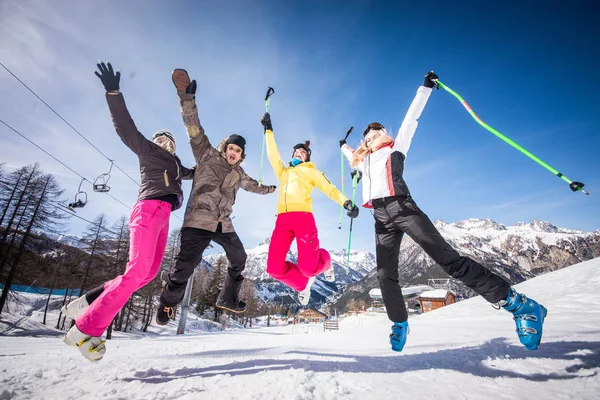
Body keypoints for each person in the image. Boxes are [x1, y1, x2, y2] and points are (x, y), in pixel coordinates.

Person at [340, 71, 547, 352]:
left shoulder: (395, 148)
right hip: (379, 219)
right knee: (384, 273)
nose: (373, 137)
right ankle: (400, 322)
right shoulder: (361, 162)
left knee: (449, 260)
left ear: (385, 135)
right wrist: (343, 145)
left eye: (377, 133)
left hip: (403, 208)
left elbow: (411, 118)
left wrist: (424, 89)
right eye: (369, 136)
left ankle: (519, 304)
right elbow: (349, 153)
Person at [62, 62, 195, 361]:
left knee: (147, 274)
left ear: (174, 148)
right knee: (136, 271)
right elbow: (125, 128)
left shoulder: (175, 166)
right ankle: (86, 330)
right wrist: (113, 93)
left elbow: (197, 171)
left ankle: (89, 301)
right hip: (148, 209)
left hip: (163, 217)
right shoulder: (147, 150)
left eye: (168, 141)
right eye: (160, 138)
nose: (164, 142)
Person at [156, 69, 276, 323]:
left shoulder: (240, 173)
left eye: (238, 151)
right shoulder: (207, 155)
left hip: (223, 224)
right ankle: (168, 301)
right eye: (231, 148)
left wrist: (272, 190)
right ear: (224, 148)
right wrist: (186, 99)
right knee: (185, 267)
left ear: (241, 156)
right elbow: (194, 128)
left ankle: (228, 297)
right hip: (198, 221)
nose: (234, 153)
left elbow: (254, 185)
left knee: (239, 257)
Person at [260, 112, 359, 305]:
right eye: (296, 151)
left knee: (309, 268)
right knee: (273, 268)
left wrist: (345, 202)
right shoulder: (284, 172)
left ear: (307, 157)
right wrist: (268, 130)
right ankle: (303, 284)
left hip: (303, 218)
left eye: (303, 152)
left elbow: (328, 188)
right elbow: (273, 154)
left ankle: (326, 262)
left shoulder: (311, 171)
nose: (299, 153)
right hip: (282, 220)